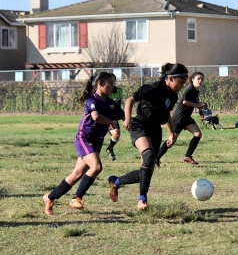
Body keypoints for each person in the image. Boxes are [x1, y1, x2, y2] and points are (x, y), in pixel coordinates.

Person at [107, 63, 188, 210]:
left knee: (146, 171)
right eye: (181, 82)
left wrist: (171, 133)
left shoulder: (173, 95)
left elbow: (166, 114)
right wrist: (127, 118)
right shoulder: (152, 88)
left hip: (156, 130)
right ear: (170, 78)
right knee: (149, 156)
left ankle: (116, 181)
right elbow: (130, 100)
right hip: (140, 125)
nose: (182, 86)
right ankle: (142, 200)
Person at [42, 72, 124, 216]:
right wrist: (111, 123)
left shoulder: (111, 104)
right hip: (84, 139)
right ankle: (76, 198)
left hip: (97, 142)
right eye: (110, 83)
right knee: (96, 167)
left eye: (113, 83)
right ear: (100, 83)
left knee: (76, 175)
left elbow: (124, 115)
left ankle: (49, 198)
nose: (112, 86)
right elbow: (96, 116)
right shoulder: (92, 100)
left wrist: (130, 121)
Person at [156, 71, 207, 167]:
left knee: (198, 134)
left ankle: (187, 156)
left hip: (186, 118)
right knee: (172, 141)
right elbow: (184, 101)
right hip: (179, 118)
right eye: (198, 79)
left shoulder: (196, 91)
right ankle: (156, 159)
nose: (200, 81)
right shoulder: (190, 89)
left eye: (202, 79)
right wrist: (198, 104)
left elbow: (194, 104)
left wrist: (201, 111)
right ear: (192, 80)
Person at [106, 74, 123, 161]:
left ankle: (110, 148)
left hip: (112, 117)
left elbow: (118, 107)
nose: (111, 83)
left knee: (116, 134)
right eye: (109, 81)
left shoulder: (119, 91)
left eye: (113, 81)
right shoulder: (102, 91)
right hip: (100, 116)